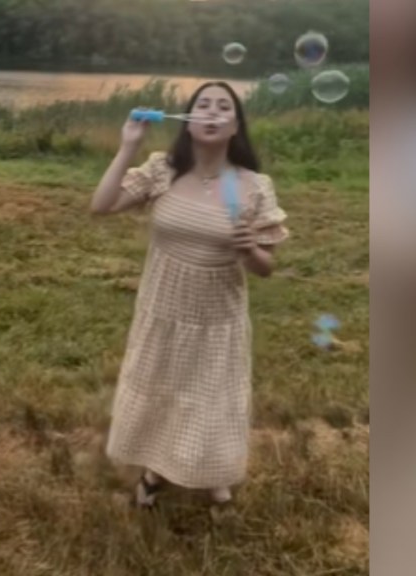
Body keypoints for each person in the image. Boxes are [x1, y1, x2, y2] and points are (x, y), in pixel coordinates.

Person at [90, 82, 289, 507]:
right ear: (188, 119)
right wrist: (128, 146)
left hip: (218, 316)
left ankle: (215, 477)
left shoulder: (254, 186)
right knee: (163, 389)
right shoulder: (164, 170)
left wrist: (249, 249)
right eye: (203, 105)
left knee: (210, 399)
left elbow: (266, 268)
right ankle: (155, 469)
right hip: (162, 307)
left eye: (224, 107)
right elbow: (102, 205)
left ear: (235, 126)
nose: (212, 112)